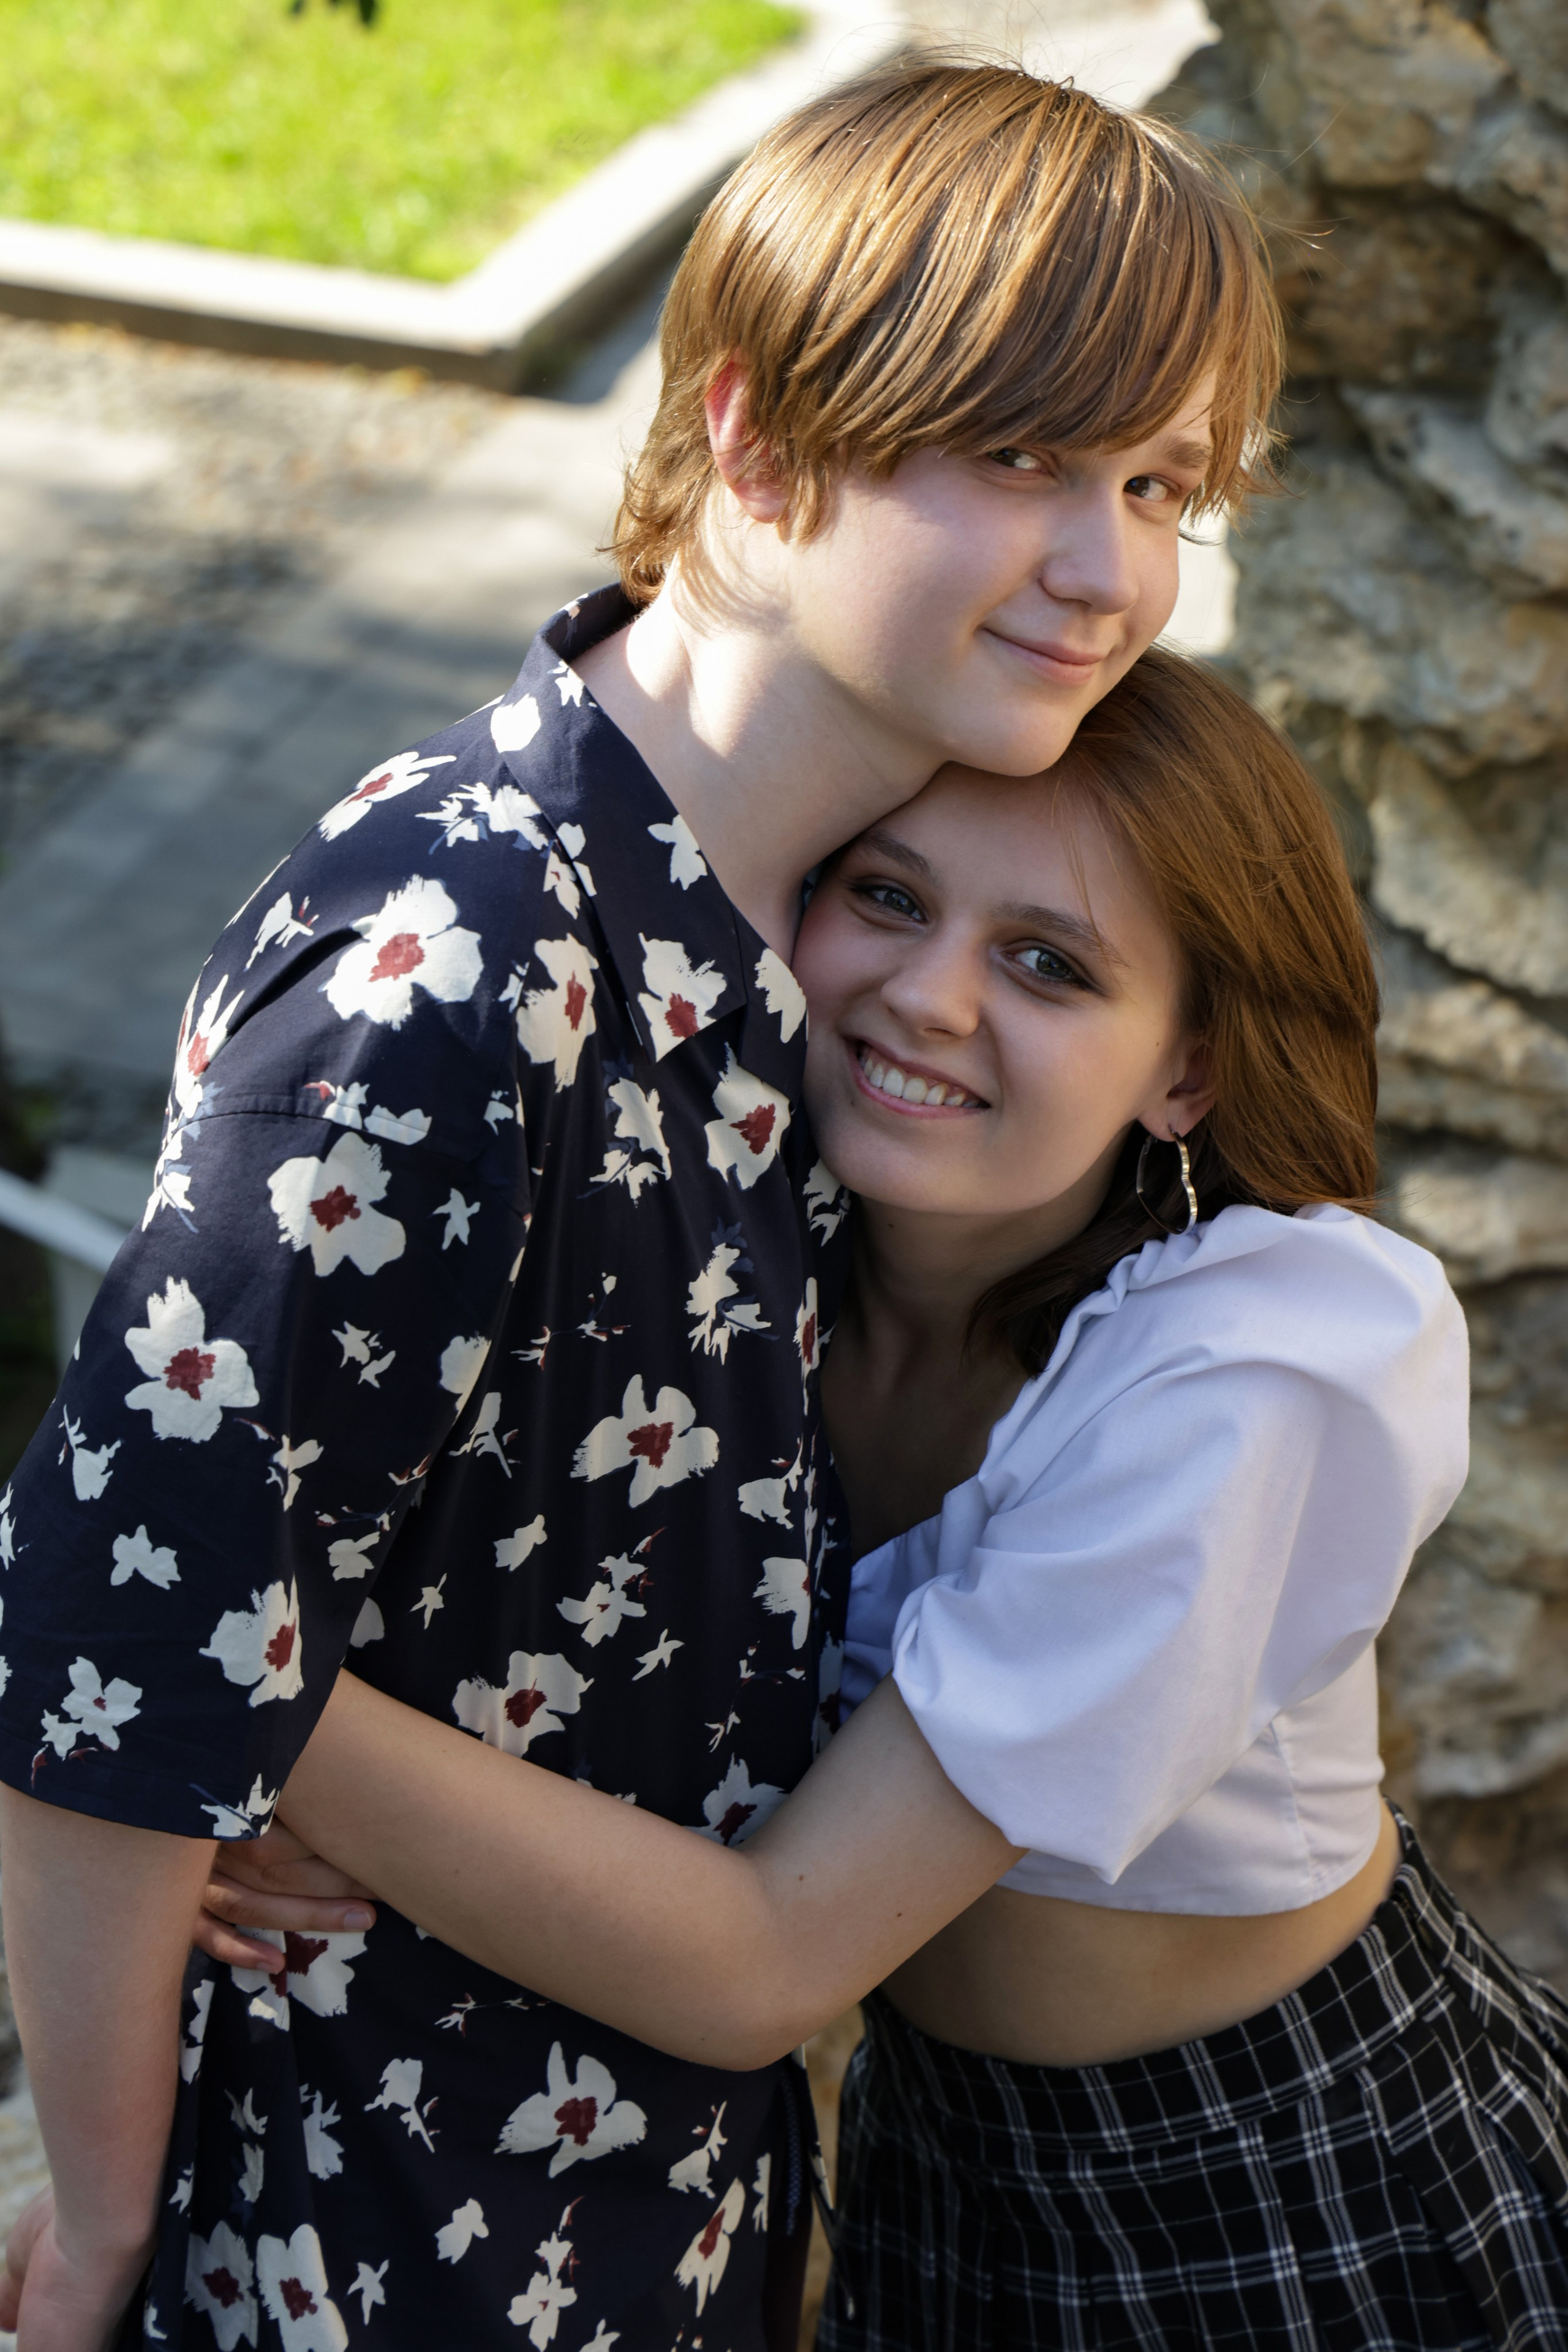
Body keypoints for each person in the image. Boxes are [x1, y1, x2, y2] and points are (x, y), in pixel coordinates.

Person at [0, 61, 1280, 2352]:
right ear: (762, 447)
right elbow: (112, 1637)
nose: (1115, 569)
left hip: (643, 2200)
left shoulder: (800, 951)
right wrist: (96, 2222)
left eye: (1160, 481)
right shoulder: (463, 968)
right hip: (370, 2228)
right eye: (1019, 458)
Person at [179, 648, 1567, 2351]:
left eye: (1048, 964)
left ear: (1185, 1074)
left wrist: (218, 1694)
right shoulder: (723, 1258)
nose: (929, 995)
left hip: (1296, 2175)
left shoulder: (1250, 1366)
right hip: (922, 2170)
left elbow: (771, 1964)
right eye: (888, 898)